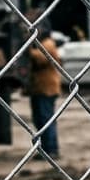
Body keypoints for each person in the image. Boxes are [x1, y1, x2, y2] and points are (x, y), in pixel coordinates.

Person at [27, 19, 63, 159]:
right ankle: (44, 149)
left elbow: (41, 59)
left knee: (46, 119)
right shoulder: (41, 44)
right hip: (39, 88)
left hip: (47, 88)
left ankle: (52, 150)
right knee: (39, 120)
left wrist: (27, 48)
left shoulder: (48, 44)